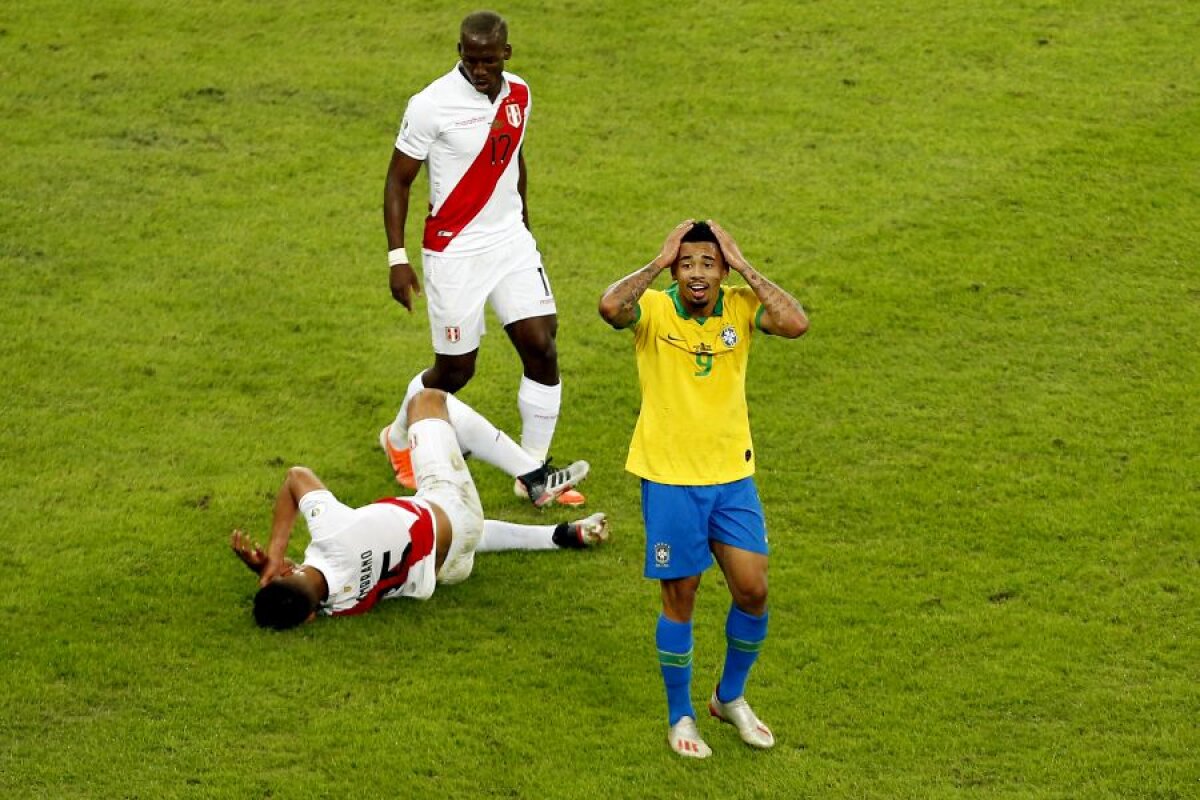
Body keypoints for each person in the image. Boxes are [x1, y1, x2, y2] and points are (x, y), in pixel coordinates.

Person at [598, 220, 809, 758]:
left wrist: (744, 266)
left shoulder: (739, 305)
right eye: (687, 263)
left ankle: (729, 697)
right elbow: (610, 308)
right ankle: (681, 716)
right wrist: (656, 258)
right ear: (673, 269)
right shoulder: (654, 309)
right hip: (670, 480)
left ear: (722, 270)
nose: (697, 273)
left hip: (731, 478)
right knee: (681, 597)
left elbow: (795, 322)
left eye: (708, 264)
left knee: (753, 589)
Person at [381, 9, 583, 506]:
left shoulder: (520, 94)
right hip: (454, 253)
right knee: (455, 372)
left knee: (542, 344)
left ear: (505, 55)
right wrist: (397, 258)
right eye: (471, 60)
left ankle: (532, 472)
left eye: (489, 60)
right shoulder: (431, 105)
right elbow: (398, 180)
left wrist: (525, 229)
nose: (480, 70)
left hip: (510, 243)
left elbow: (513, 158)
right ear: (461, 54)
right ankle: (398, 436)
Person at [230, 388, 606, 630]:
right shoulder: (331, 534)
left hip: (447, 570)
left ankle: (558, 536)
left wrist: (270, 569)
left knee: (461, 534)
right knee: (426, 400)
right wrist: (275, 554)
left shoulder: (339, 607)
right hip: (449, 507)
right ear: (290, 570)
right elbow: (296, 477)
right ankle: (533, 475)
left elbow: (312, 585)